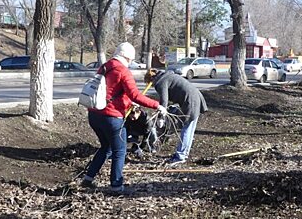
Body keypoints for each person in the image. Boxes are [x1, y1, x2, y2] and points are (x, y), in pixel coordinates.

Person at [81, 42, 166, 193]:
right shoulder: (123, 71)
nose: (131, 63)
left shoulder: (105, 66)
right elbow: (135, 95)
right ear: (127, 58)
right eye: (131, 60)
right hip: (111, 118)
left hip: (94, 114)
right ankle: (116, 186)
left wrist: (128, 102)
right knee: (119, 151)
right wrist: (157, 105)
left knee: (105, 147)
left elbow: (111, 91)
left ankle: (88, 179)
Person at [144, 68, 208, 165]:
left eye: (150, 84)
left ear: (152, 79)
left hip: (190, 101)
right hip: (196, 97)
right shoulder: (167, 76)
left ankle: (180, 156)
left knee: (186, 129)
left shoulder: (161, 82)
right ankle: (184, 154)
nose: (152, 86)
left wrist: (161, 117)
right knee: (189, 129)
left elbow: (164, 102)